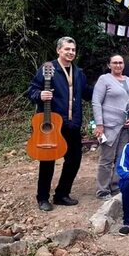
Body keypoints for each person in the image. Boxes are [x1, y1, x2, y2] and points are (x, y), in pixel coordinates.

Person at [27, 36, 93, 211]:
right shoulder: (48, 68)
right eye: (67, 49)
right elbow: (32, 89)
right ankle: (42, 198)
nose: (71, 52)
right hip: (52, 123)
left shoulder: (78, 72)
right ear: (58, 50)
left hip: (73, 123)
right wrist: (39, 95)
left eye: (73, 50)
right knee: (48, 160)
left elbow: (87, 93)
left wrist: (108, 87)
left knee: (74, 159)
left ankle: (62, 194)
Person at [92, 54, 129, 200]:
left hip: (127, 126)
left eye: (120, 63)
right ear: (109, 65)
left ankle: (116, 186)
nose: (118, 65)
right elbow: (96, 102)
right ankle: (102, 190)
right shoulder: (104, 79)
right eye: (115, 63)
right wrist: (99, 124)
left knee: (121, 158)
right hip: (109, 125)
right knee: (107, 159)